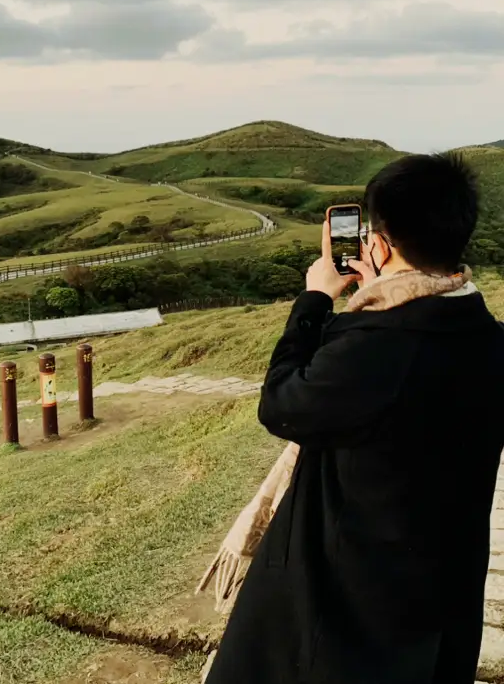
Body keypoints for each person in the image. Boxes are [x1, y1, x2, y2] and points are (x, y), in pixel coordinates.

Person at [204, 152, 504, 684]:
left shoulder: (376, 346)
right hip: (440, 593)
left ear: (380, 243)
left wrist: (317, 297)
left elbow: (282, 404)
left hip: (350, 609)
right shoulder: (486, 336)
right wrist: (376, 289)